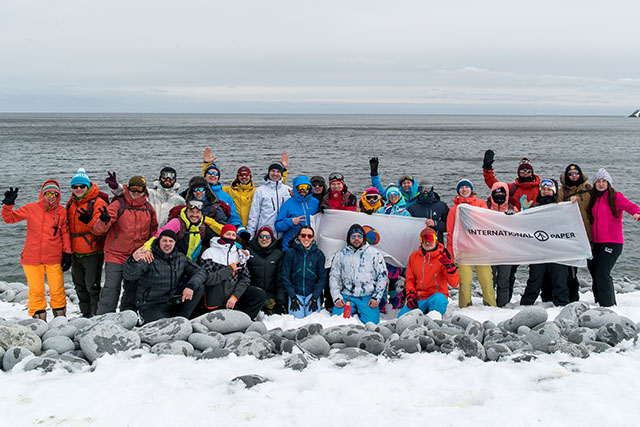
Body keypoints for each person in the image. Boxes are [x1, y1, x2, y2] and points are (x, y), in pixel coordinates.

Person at [2, 181, 72, 320]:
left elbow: (65, 233)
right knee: (36, 290)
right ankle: (40, 321)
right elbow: (9, 219)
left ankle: (60, 320)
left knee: (57, 289)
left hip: (54, 257)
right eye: (48, 193)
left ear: (58, 196)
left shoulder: (62, 211)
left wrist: (67, 253)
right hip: (31, 258)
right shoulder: (31, 208)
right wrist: (8, 205)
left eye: (54, 194)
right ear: (43, 194)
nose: (51, 197)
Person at [92, 175, 158, 314]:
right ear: (128, 188)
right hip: (115, 254)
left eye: (139, 189)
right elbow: (98, 230)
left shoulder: (148, 209)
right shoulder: (118, 205)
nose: (136, 192)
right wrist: (103, 220)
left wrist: (148, 251)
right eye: (133, 188)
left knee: (132, 290)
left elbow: (153, 234)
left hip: (136, 256)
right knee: (111, 288)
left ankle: (127, 318)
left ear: (144, 190)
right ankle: (102, 319)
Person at [123, 229, 206, 324]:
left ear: (175, 243)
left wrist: (190, 286)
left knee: (198, 287)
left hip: (171, 301)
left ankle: (182, 321)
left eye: (171, 241)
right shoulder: (149, 257)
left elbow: (200, 271)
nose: (167, 244)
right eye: (164, 241)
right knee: (163, 326)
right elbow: (130, 275)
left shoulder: (180, 258)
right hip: (150, 304)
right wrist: (133, 260)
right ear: (159, 242)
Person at [586, 168, 640, 307]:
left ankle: (608, 305)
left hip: (612, 242)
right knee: (594, 271)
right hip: (596, 242)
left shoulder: (616, 196)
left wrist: (637, 213)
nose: (601, 184)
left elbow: (631, 206)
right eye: (598, 181)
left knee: (602, 273)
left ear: (609, 183)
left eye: (604, 181)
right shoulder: (593, 197)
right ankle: (598, 302)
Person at [199, 224, 266, 319]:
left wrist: (235, 296)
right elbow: (208, 279)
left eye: (233, 235)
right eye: (228, 234)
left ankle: (245, 320)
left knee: (259, 294)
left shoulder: (239, 254)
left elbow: (245, 278)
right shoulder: (209, 253)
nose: (230, 237)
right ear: (222, 234)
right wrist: (229, 269)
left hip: (233, 294)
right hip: (215, 295)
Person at [446, 179, 496, 308]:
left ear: (471, 189)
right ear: (458, 191)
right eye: (461, 187)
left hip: (480, 249)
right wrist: (451, 253)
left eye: (467, 187)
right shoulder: (453, 210)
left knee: (486, 279)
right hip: (463, 251)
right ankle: (465, 306)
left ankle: (491, 304)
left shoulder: (480, 204)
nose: (464, 189)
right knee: (465, 281)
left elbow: (487, 223)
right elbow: (450, 233)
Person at [520, 179, 570, 307]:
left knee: (560, 279)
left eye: (549, 190)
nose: (546, 192)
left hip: (558, 251)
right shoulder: (535, 208)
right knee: (534, 280)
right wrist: (524, 211)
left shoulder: (562, 208)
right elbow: (524, 227)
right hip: (539, 250)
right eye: (543, 189)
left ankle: (561, 306)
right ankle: (525, 306)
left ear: (553, 192)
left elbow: (570, 226)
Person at [66, 168, 108, 317]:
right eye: (75, 186)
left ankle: (96, 314)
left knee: (92, 286)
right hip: (75, 252)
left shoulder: (98, 202)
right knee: (79, 286)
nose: (78, 189)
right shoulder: (71, 203)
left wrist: (89, 221)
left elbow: (101, 229)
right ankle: (85, 314)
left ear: (87, 187)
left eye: (82, 186)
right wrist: (65, 251)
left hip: (93, 251)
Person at [330, 224, 388, 324]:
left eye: (359, 236)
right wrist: (336, 297)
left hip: (367, 296)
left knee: (371, 324)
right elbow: (334, 277)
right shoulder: (341, 254)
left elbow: (382, 277)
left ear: (363, 238)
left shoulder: (374, 253)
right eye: (353, 236)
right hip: (347, 296)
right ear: (349, 238)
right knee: (337, 321)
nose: (356, 239)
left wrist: (376, 297)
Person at [397, 227, 459, 317]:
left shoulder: (443, 257)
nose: (427, 242)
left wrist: (451, 269)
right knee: (401, 319)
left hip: (436, 297)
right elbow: (410, 279)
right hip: (419, 299)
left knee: (439, 300)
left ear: (436, 240)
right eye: (424, 239)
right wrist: (410, 295)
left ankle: (433, 317)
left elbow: (454, 283)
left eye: (430, 238)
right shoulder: (414, 257)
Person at [137, 199, 217, 263]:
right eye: (191, 212)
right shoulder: (176, 223)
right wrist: (147, 249)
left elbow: (215, 240)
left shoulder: (202, 227)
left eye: (197, 212)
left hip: (190, 266)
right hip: (173, 265)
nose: (194, 215)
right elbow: (159, 236)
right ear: (186, 211)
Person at [105, 167, 185, 228]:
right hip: (147, 233)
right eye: (164, 176)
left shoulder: (180, 201)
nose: (168, 179)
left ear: (175, 180)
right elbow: (127, 192)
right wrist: (116, 187)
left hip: (167, 237)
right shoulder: (149, 193)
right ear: (160, 178)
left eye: (171, 177)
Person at [558, 163, 592, 302]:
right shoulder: (562, 192)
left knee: (597, 271)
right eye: (570, 174)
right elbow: (556, 210)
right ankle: (571, 300)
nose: (574, 176)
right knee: (570, 272)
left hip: (589, 235)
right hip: (571, 237)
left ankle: (603, 301)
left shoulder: (590, 189)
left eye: (576, 173)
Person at [280, 226, 328, 318]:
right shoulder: (291, 253)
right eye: (303, 235)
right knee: (297, 319)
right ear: (298, 237)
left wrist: (315, 296)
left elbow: (323, 278)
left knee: (312, 320)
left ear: (313, 238)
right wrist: (292, 296)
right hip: (296, 293)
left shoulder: (318, 254)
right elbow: (285, 275)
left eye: (309, 236)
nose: (306, 238)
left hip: (312, 293)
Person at [486, 182, 518, 307]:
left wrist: (514, 218)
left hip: (507, 251)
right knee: (490, 280)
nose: (499, 195)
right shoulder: (485, 208)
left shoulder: (512, 209)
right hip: (490, 250)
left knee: (504, 280)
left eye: (502, 193)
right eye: (496, 193)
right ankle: (489, 305)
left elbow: (520, 228)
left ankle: (502, 306)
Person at [247, 161, 292, 240]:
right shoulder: (260, 191)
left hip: (284, 234)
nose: (275, 174)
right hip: (265, 235)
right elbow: (254, 215)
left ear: (281, 174)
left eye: (278, 171)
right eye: (273, 171)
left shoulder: (287, 190)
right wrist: (250, 236)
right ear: (269, 172)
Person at [202, 163, 248, 239]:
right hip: (201, 232)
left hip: (221, 234)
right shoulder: (198, 192)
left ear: (218, 177)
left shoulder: (226, 197)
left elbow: (233, 217)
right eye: (209, 173)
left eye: (215, 174)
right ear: (205, 176)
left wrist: (241, 231)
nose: (212, 175)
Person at [247, 226, 286, 315]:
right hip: (255, 295)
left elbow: (279, 279)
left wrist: (280, 300)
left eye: (267, 237)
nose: (264, 239)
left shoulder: (277, 254)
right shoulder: (249, 253)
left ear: (271, 239)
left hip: (270, 295)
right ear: (257, 238)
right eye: (261, 236)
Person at [275, 176, 319, 251]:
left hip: (310, 246)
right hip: (291, 247)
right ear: (295, 188)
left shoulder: (315, 203)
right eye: (299, 187)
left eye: (305, 187)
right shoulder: (287, 204)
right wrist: (290, 222)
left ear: (309, 188)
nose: (302, 190)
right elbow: (278, 226)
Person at [407, 179, 449, 244]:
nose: (425, 192)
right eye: (422, 189)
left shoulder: (442, 206)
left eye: (428, 188)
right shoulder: (412, 208)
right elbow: (408, 229)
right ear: (419, 190)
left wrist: (435, 223)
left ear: (432, 189)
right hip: (419, 244)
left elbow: (448, 227)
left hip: (437, 245)